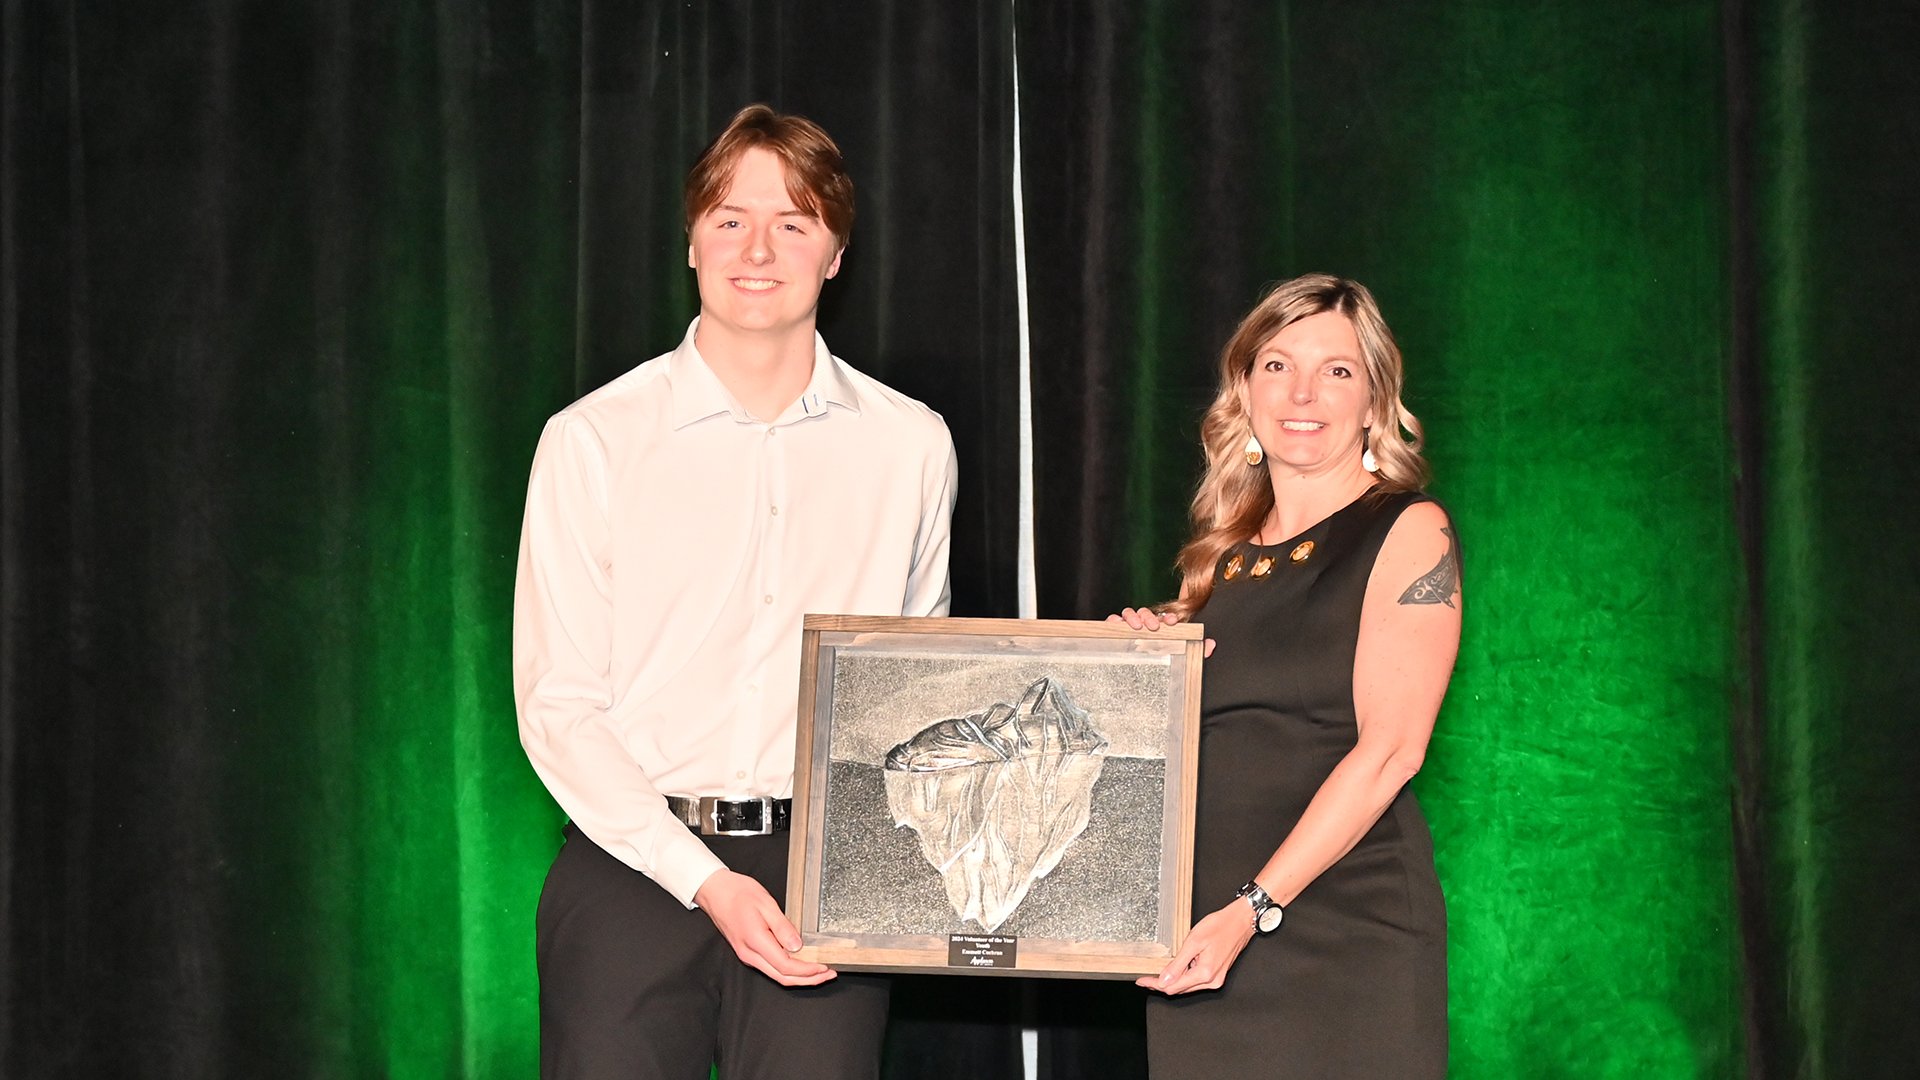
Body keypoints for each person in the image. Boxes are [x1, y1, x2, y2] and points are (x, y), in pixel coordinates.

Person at [513, 104, 958, 1080]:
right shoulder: (592, 440)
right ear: (692, 243)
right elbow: (557, 707)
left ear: (835, 252)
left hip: (825, 874)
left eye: (793, 222)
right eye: (729, 220)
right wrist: (704, 879)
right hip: (630, 864)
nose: (758, 249)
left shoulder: (911, 444)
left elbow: (911, 685)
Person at [1113, 273, 1459, 1078]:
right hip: (1203, 947)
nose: (1303, 391)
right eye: (1277, 365)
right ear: (1245, 389)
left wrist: (1252, 909)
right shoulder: (1220, 562)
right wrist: (1131, 666)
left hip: (1342, 940)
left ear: (1375, 400)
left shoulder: (1408, 529)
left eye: (1337, 371)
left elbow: (1391, 753)